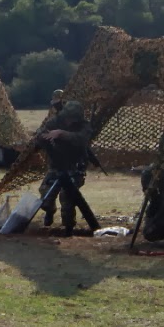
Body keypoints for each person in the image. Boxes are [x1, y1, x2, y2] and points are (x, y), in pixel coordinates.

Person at [37, 100, 92, 235]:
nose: (69, 121)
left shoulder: (84, 126)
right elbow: (40, 134)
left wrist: (62, 134)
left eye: (73, 118)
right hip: (57, 165)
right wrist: (44, 138)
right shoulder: (54, 122)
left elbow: (81, 139)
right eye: (68, 117)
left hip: (75, 167)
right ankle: (50, 211)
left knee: (67, 196)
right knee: (45, 194)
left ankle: (68, 227)